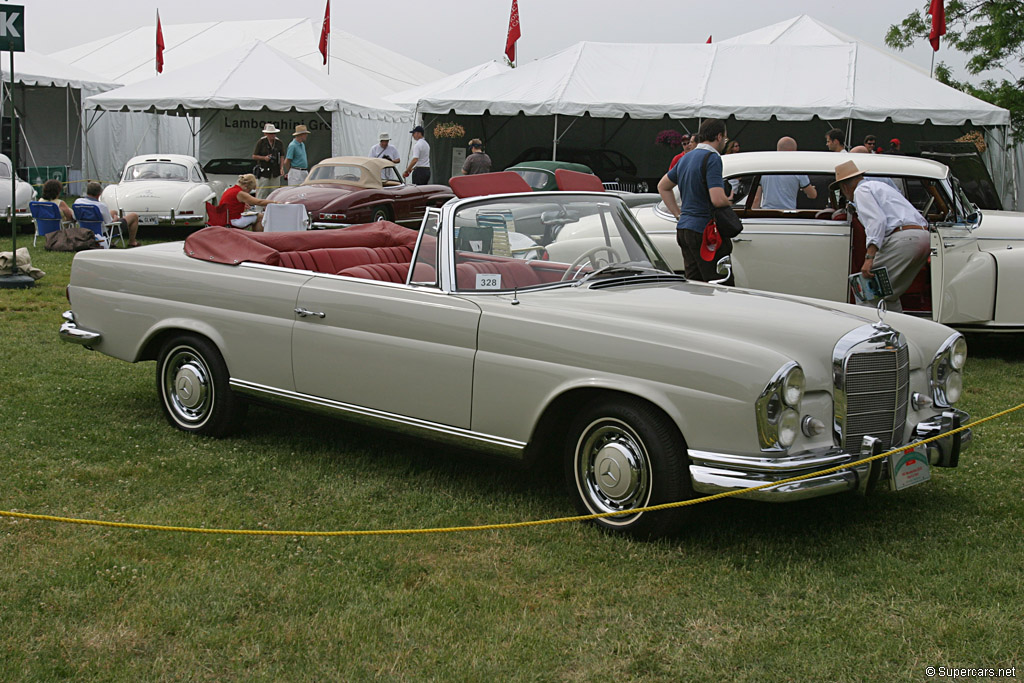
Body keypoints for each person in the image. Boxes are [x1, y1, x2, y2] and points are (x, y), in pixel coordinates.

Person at [832, 159, 929, 313]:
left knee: (867, 290)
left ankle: (872, 334)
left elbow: (876, 221)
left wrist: (869, 258)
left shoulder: (861, 191)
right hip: (923, 237)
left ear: (844, 187)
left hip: (904, 240)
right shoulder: (880, 186)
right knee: (887, 293)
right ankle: (896, 329)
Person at [656, 118, 731, 282]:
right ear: (719, 136)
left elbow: (663, 186)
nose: (725, 141)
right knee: (717, 282)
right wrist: (729, 201)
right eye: (725, 138)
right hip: (704, 230)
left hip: (684, 227)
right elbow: (717, 199)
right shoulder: (712, 158)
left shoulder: (685, 158)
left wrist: (678, 213)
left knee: (693, 283)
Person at [752, 136, 817, 209]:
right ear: (794, 151)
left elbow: (756, 199)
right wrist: (811, 189)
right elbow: (812, 195)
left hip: (768, 214)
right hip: (789, 215)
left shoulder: (764, 169)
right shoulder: (798, 169)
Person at [73, 181, 141, 247]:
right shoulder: (101, 206)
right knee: (134, 216)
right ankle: (132, 242)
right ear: (99, 194)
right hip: (102, 232)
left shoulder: (78, 202)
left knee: (113, 211)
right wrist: (116, 218)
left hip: (84, 231)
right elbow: (110, 225)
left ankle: (111, 241)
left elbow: (74, 217)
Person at [252, 123, 285, 199]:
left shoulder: (279, 143)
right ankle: (259, 208)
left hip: (275, 171)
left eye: (274, 133)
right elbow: (254, 156)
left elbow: (282, 155)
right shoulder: (261, 142)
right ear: (266, 134)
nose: (272, 135)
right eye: (270, 134)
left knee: (275, 192)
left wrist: (281, 168)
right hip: (263, 171)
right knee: (262, 192)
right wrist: (264, 158)